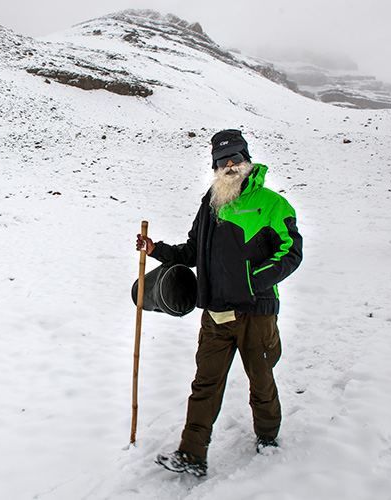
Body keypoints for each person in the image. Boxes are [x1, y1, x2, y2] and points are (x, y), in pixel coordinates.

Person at [136, 129, 303, 477]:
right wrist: (157, 251)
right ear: (214, 166)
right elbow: (191, 251)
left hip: (255, 312)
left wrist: (251, 281)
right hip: (215, 313)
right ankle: (192, 453)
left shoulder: (272, 204)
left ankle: (268, 436)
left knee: (260, 378)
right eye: (222, 160)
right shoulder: (210, 203)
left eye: (235, 157)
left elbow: (291, 252)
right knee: (205, 384)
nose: (229, 165)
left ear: (247, 160)